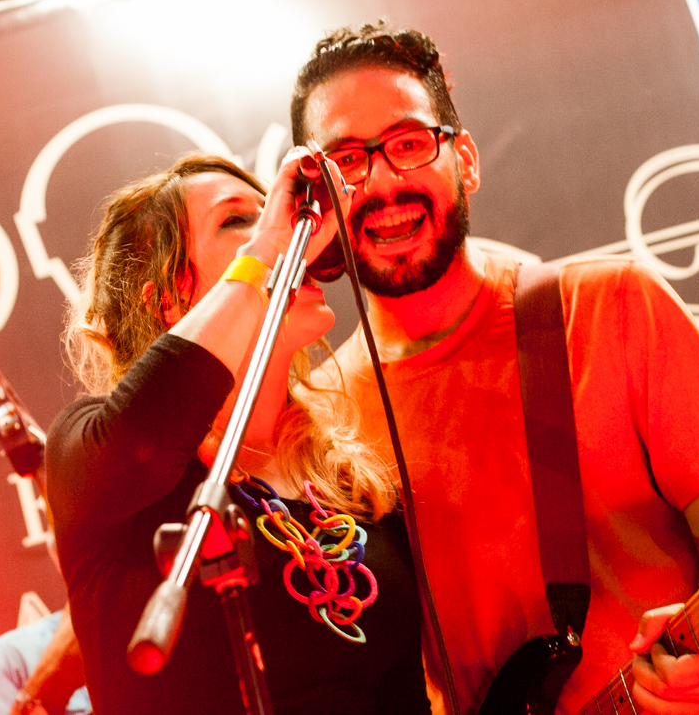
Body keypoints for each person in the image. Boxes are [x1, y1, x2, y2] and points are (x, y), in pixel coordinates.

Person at [290, 24, 699, 714]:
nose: (381, 182)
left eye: (408, 144)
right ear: (313, 199)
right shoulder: (319, 417)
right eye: (345, 161)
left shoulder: (613, 304)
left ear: (465, 160)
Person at [45, 152, 431, 714]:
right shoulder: (88, 447)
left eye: (270, 211)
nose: (291, 229)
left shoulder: (352, 484)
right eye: (236, 220)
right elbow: (143, 445)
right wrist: (266, 248)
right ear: (169, 299)